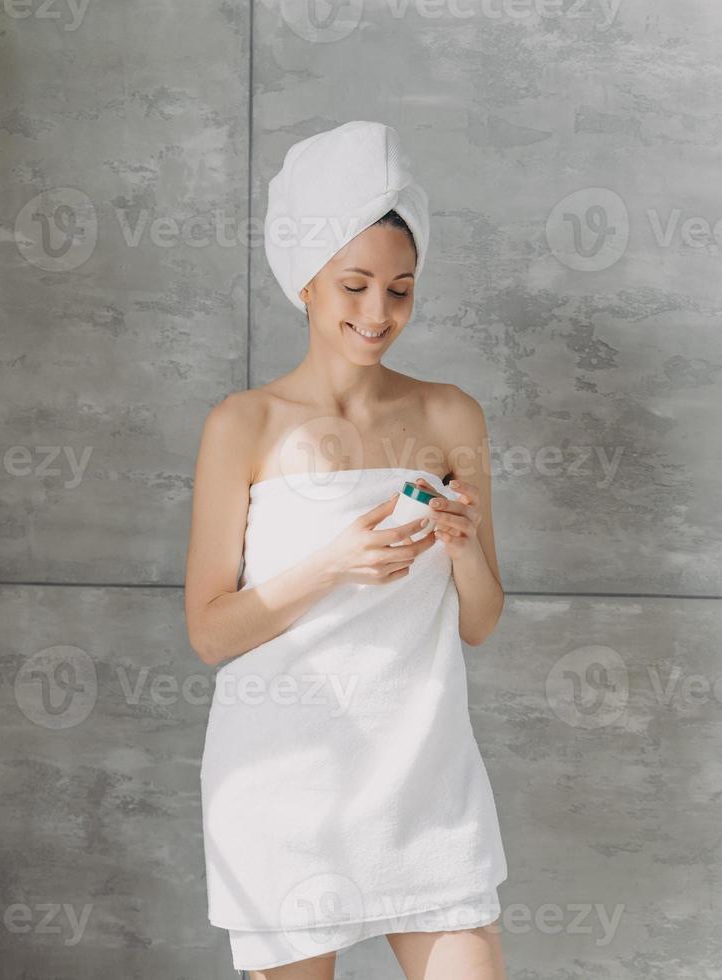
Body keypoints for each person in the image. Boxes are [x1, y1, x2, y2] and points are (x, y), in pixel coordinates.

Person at [185, 121, 509, 980]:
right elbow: (212, 634)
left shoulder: (450, 417)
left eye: (399, 290)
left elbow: (479, 620)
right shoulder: (242, 426)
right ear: (304, 282)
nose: (378, 315)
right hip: (284, 783)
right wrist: (335, 562)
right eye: (355, 286)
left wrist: (466, 547)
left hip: (423, 779)